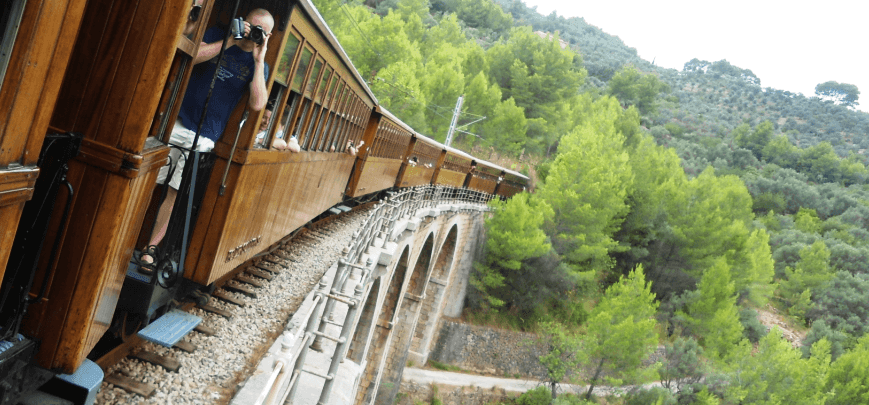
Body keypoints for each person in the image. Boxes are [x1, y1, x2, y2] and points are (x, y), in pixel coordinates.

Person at [142, 8, 274, 272]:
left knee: (174, 193)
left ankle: (150, 250)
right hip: (175, 122)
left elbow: (258, 103)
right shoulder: (217, 36)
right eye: (251, 25)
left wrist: (259, 61)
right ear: (242, 22)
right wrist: (231, 42)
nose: (253, 32)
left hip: (204, 137)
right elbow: (194, 56)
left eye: (261, 31)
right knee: (145, 181)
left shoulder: (259, 66)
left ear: (266, 37)